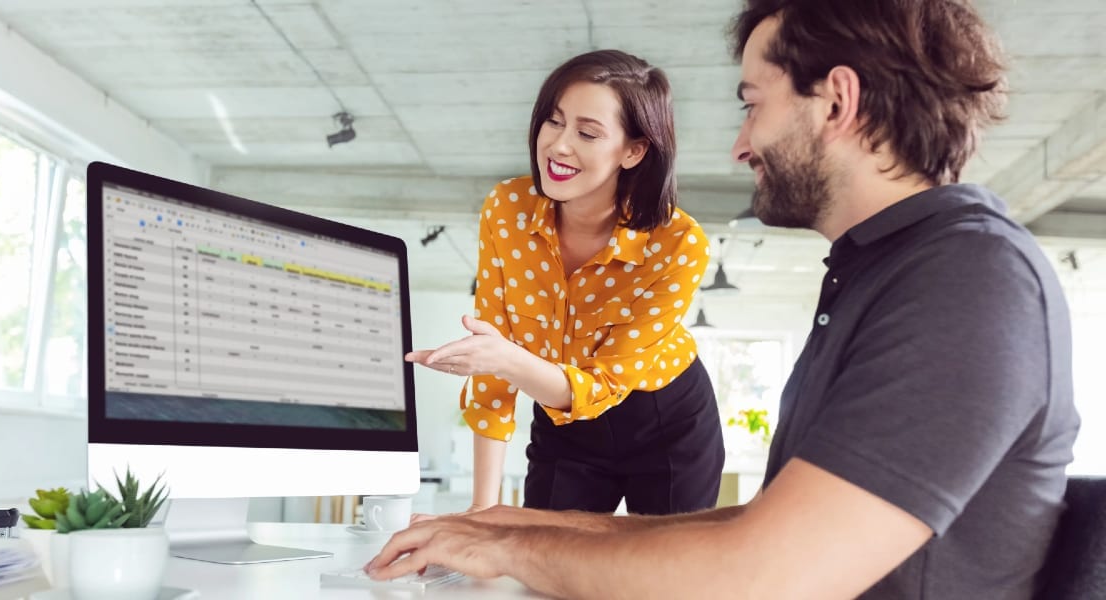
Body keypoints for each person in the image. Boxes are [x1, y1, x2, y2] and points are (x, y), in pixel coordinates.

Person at [370, 1, 1082, 598]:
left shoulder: (968, 278)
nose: (742, 145)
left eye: (753, 106)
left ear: (838, 101)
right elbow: (766, 532)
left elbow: (764, 574)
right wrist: (512, 528)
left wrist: (513, 552)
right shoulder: (883, 271)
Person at [405, 49, 725, 516]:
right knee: (544, 568)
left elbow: (600, 384)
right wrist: (482, 509)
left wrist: (506, 358)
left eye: (588, 133)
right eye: (553, 122)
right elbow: (494, 356)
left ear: (633, 150)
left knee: (657, 577)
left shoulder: (678, 244)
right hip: (560, 418)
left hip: (663, 422)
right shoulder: (507, 209)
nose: (558, 145)